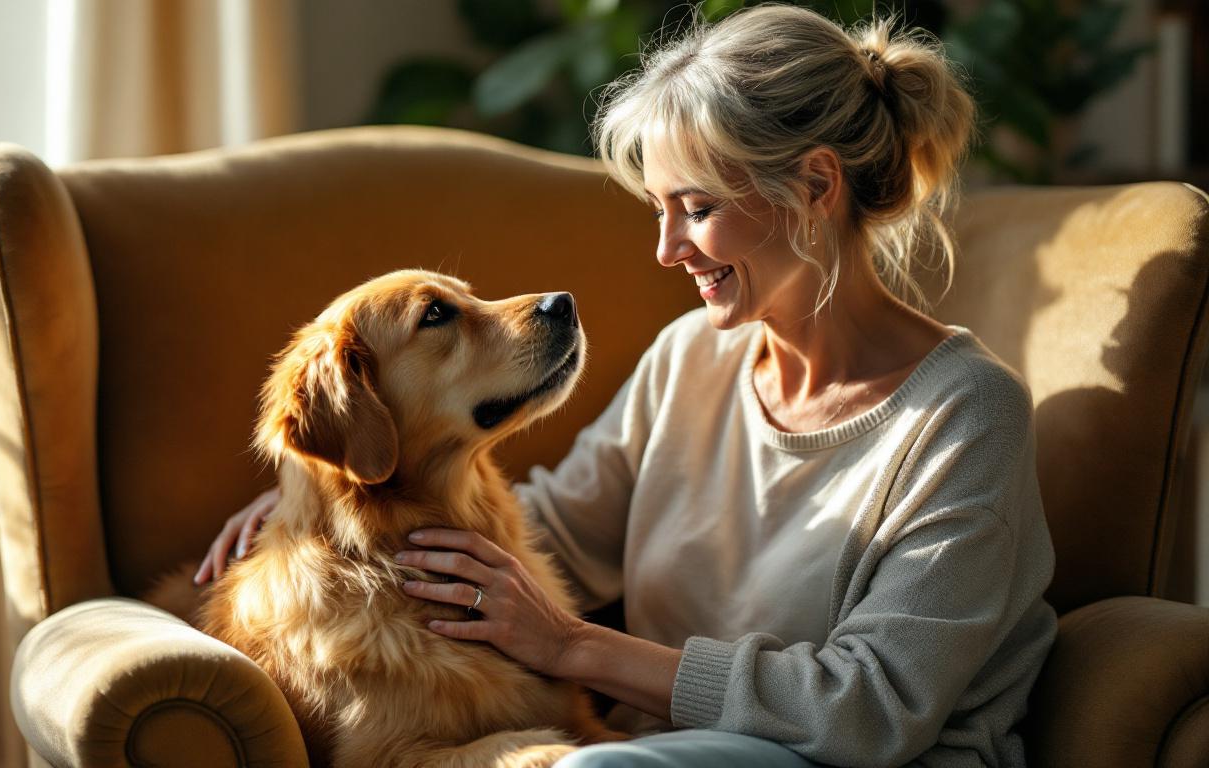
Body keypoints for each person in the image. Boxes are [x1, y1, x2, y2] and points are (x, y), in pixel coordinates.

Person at [194, 5, 1058, 766]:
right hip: (655, 750)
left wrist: (576, 648)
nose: (667, 250)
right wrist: (309, 519)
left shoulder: (966, 416)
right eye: (658, 210)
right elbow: (550, 542)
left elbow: (871, 713)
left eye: (697, 207)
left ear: (816, 186)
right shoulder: (691, 357)